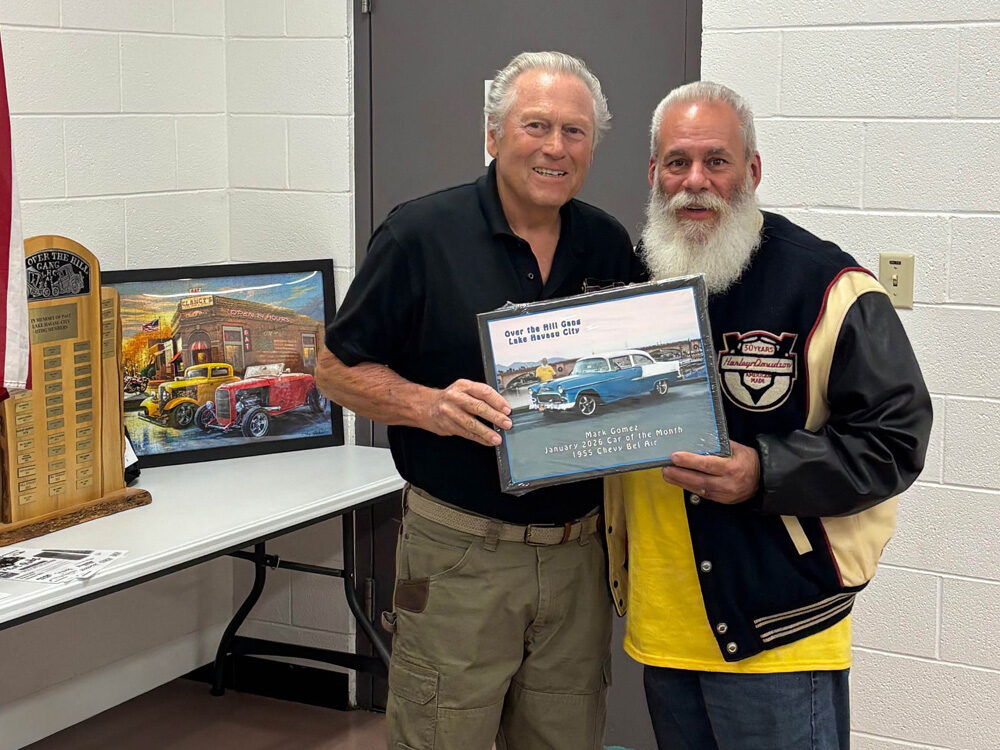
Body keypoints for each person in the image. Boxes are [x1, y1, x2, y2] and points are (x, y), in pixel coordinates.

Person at [316, 51, 645, 750]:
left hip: (578, 557)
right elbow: (334, 369)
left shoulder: (607, 243)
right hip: (460, 556)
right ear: (494, 134)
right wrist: (427, 405)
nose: (556, 147)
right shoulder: (418, 235)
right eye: (536, 125)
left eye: (575, 131)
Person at [604, 81, 932, 750]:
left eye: (716, 161)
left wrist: (766, 471)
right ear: (653, 173)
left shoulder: (827, 285)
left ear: (752, 170)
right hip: (661, 628)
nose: (695, 181)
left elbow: (895, 441)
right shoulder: (624, 280)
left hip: (780, 630)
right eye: (677, 162)